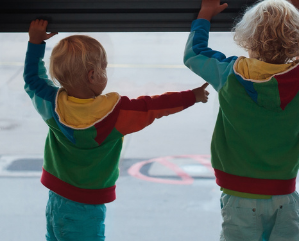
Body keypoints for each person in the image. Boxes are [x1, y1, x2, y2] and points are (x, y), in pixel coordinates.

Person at [24, 19, 210, 241]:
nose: (106, 72)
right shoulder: (114, 114)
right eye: (104, 67)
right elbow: (154, 106)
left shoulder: (49, 103)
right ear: (92, 76)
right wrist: (193, 96)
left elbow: (33, 78)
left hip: (56, 197)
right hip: (87, 206)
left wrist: (35, 42)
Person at [183, 0, 299, 241]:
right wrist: (295, 13)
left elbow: (194, 54)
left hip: (239, 195)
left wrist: (205, 14)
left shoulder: (228, 74)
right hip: (285, 195)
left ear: (247, 39)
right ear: (298, 38)